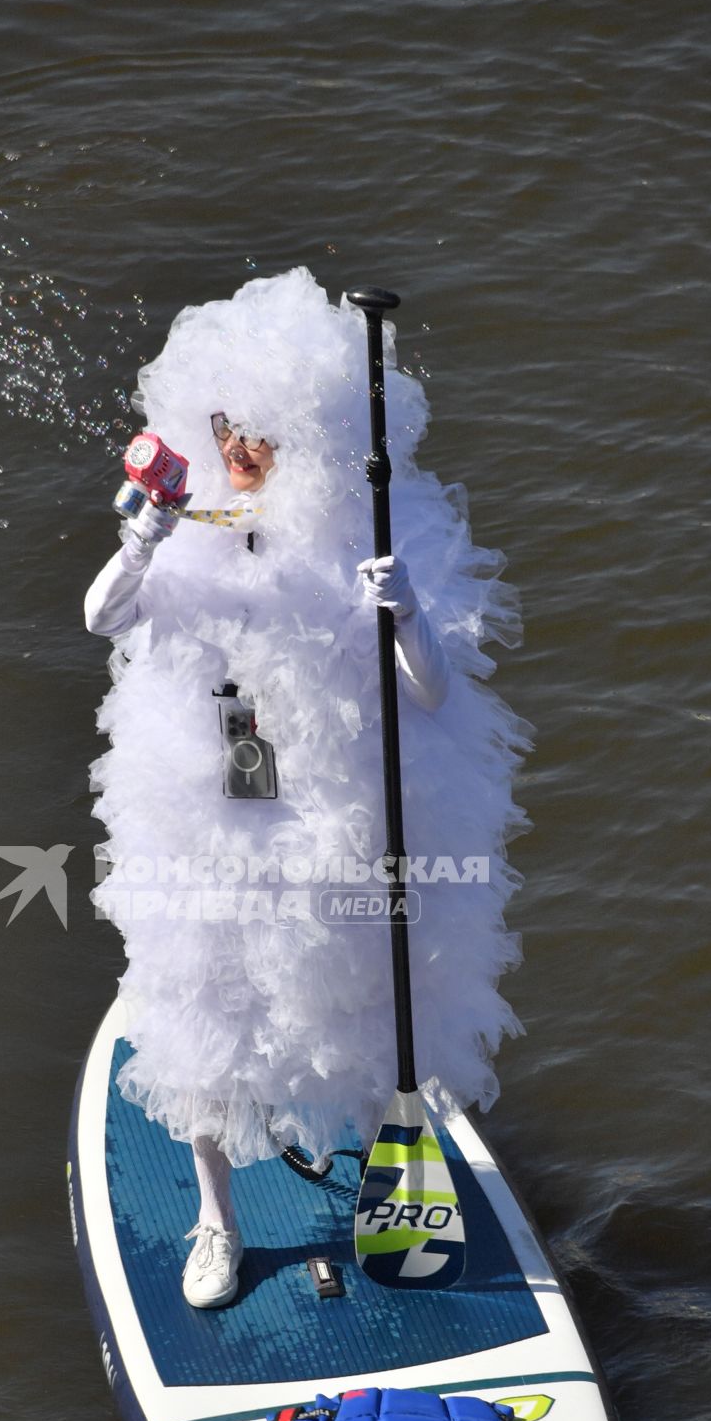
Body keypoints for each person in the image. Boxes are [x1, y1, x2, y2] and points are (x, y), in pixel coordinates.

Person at [84, 270, 527, 1310]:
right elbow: (104, 618)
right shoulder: (190, 522)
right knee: (204, 1003)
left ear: (312, 444)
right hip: (212, 805)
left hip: (341, 811)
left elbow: (431, 693)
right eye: (228, 431)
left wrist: (406, 609)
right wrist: (142, 538)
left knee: (372, 994)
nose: (238, 454)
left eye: (261, 440)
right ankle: (215, 1220)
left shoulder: (389, 529)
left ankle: (390, 1181)